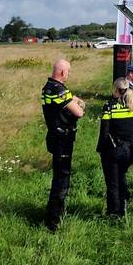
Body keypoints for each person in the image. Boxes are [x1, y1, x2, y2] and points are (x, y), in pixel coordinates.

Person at [42, 59, 86, 232]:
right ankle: (53, 220)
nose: (68, 75)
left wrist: (73, 99)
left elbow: (72, 99)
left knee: (59, 177)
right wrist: (77, 103)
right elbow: (79, 111)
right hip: (62, 138)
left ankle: (54, 214)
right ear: (61, 72)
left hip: (56, 136)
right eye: (68, 72)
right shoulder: (58, 90)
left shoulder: (48, 86)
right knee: (61, 179)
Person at [97, 77, 133, 217]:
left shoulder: (109, 106)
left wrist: (100, 149)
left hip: (113, 150)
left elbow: (104, 132)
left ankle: (114, 212)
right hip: (130, 151)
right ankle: (123, 205)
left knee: (112, 182)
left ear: (115, 89)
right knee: (121, 176)